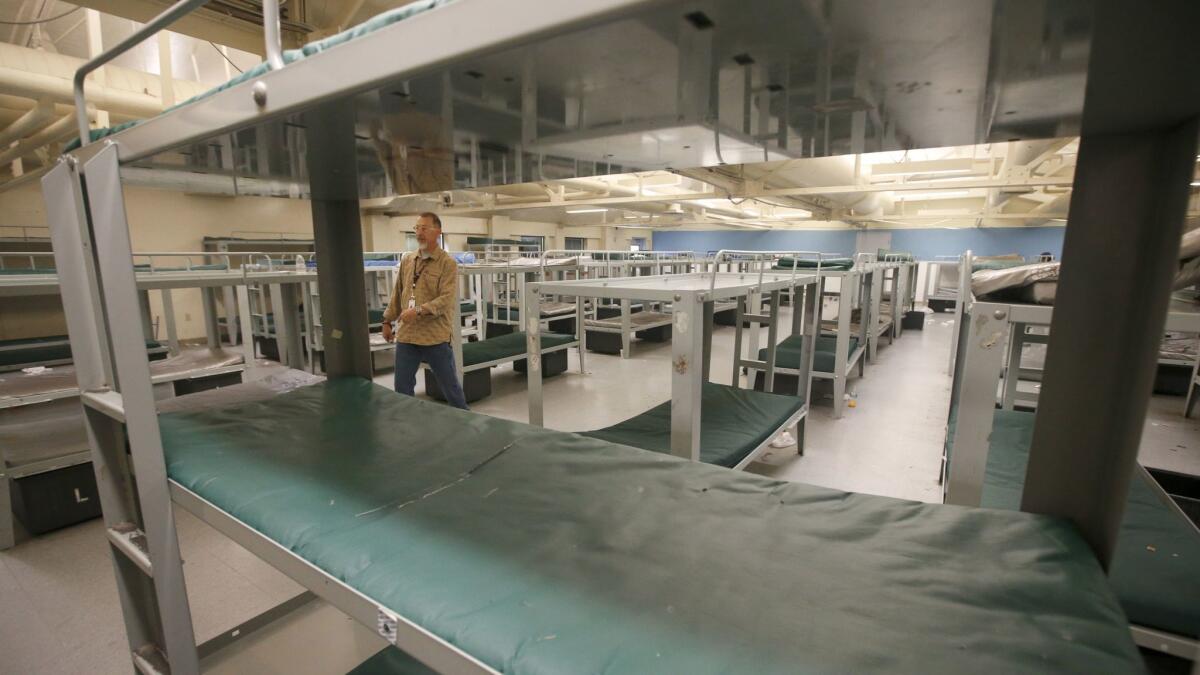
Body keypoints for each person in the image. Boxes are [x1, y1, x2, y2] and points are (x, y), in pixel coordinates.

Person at [381, 213, 469, 409]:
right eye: (417, 228)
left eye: (424, 228)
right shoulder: (408, 260)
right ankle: (407, 427)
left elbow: (446, 300)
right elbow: (398, 294)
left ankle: (468, 424)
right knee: (402, 389)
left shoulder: (447, 263)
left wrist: (419, 311)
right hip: (407, 336)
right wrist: (387, 321)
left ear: (437, 232)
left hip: (434, 337)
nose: (419, 233)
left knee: (451, 389)